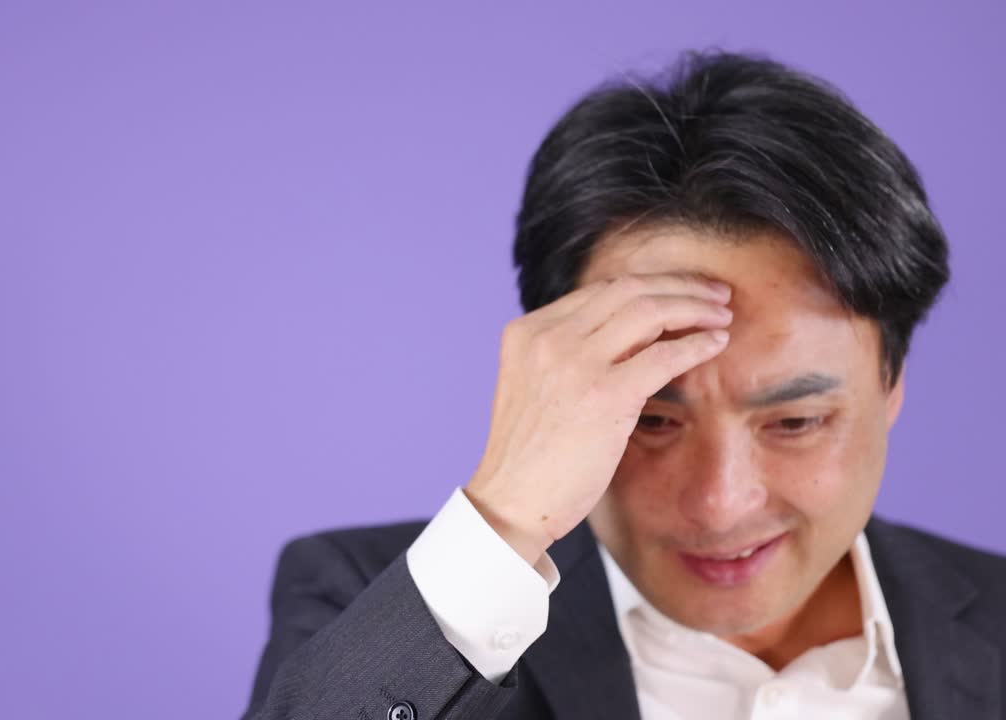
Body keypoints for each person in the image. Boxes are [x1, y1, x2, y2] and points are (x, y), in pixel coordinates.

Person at [241, 50, 1006, 720]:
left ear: (893, 381)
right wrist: (504, 518)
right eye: (651, 419)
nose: (721, 503)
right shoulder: (367, 600)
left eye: (796, 421)